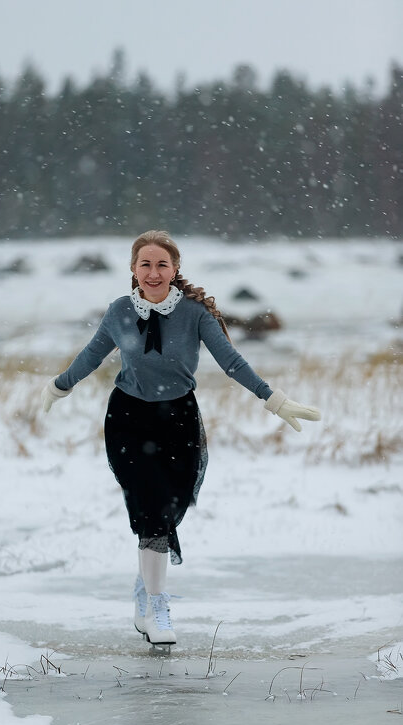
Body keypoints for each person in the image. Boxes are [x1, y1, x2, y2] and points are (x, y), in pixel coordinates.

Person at [41, 230, 321, 649]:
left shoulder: (194, 313)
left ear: (175, 270)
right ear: (133, 270)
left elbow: (231, 361)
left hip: (178, 421)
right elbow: (92, 355)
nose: (153, 273)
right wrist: (59, 386)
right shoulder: (119, 312)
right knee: (150, 508)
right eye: (145, 265)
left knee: (169, 509)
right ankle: (157, 606)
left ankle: (144, 587)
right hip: (130, 419)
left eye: (162, 265)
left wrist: (274, 399)